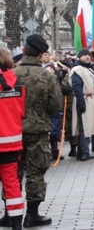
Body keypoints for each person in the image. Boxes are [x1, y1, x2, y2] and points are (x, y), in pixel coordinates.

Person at [13, 35, 63, 227]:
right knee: (35, 172)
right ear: (42, 54)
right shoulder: (47, 76)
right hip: (38, 130)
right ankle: (32, 214)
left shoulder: (11, 74)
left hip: (13, 131)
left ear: (24, 50)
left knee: (13, 172)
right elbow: (55, 105)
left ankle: (11, 212)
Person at [0, 49, 26, 230]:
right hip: (12, 142)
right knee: (12, 185)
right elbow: (22, 111)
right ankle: (16, 224)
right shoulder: (18, 82)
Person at [68, 48, 94, 161]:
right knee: (84, 125)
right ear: (79, 57)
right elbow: (76, 86)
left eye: (88, 55)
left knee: (89, 125)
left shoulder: (90, 69)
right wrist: (80, 100)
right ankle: (84, 152)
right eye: (84, 55)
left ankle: (83, 151)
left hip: (92, 99)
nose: (87, 57)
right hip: (85, 98)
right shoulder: (78, 69)